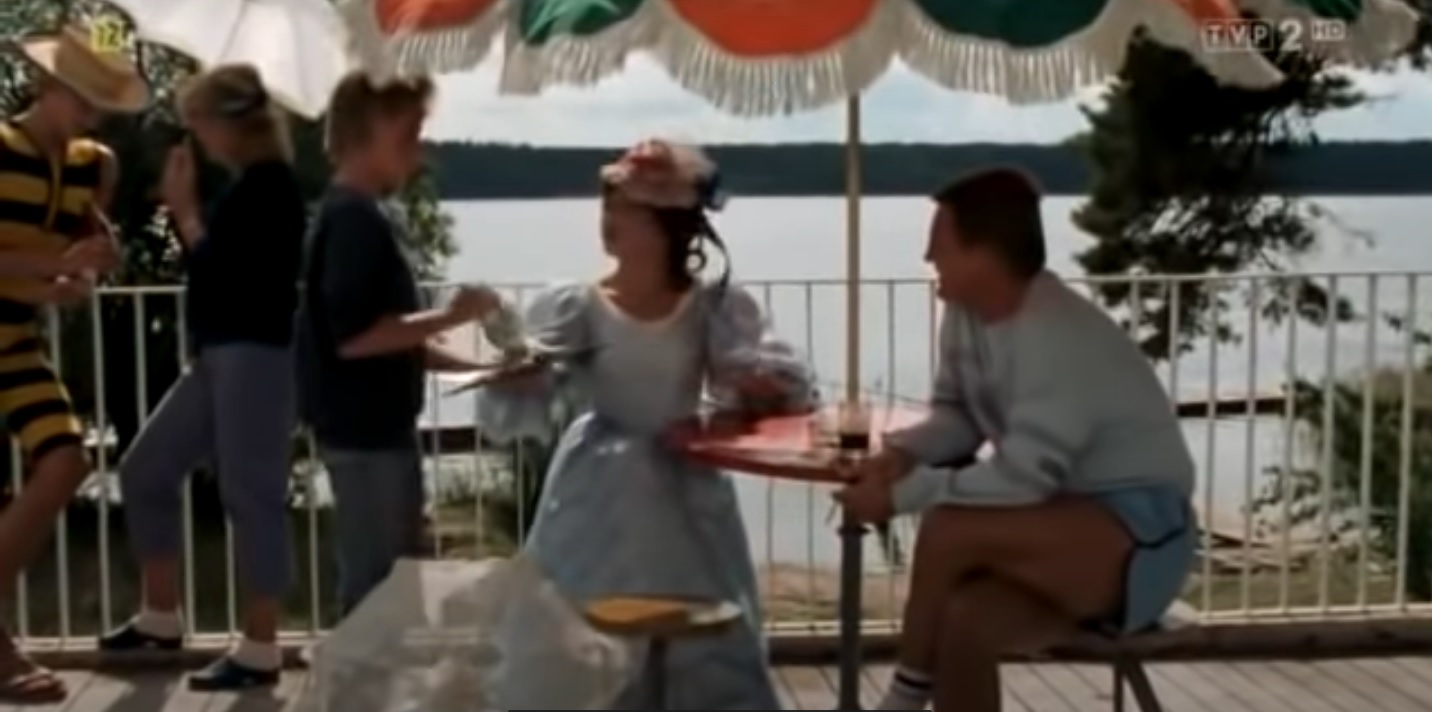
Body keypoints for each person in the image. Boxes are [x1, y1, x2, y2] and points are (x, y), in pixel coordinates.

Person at [835, 168, 1196, 712]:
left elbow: (1026, 477)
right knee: (964, 620)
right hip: (1059, 522)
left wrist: (901, 496)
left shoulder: (1058, 335)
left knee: (948, 527)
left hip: (1143, 537)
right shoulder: (965, 315)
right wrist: (901, 455)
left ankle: (903, 699)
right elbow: (958, 417)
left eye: (940, 245)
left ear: (985, 253)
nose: (928, 257)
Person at [473, 139, 817, 709]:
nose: (608, 221)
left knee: (698, 630)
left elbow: (756, 380)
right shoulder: (578, 304)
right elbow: (539, 383)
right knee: (582, 624)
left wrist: (758, 385)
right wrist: (522, 375)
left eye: (624, 209)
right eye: (606, 207)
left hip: (684, 475)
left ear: (664, 225)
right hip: (599, 484)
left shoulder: (711, 307)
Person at [95, 65, 306, 691]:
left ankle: (261, 646)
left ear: (233, 123)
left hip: (256, 358)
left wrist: (186, 212)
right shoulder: (248, 187)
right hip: (219, 357)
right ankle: (161, 616)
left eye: (199, 121)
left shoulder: (273, 189)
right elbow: (221, 271)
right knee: (146, 469)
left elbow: (233, 275)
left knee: (251, 494)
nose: (196, 135)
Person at [295, 71, 510, 617]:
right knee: (379, 595)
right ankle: (358, 673)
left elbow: (391, 338)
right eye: (411, 130)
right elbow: (355, 339)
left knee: (390, 588)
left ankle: (371, 669)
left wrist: (484, 366)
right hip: (366, 436)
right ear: (373, 128)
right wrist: (455, 315)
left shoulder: (358, 213)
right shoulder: (353, 220)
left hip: (374, 430)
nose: (420, 147)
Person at [0, 26, 144, 703]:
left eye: (103, 96)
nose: (95, 108)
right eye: (84, 91)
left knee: (66, 459)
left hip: (14, 341)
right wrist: (57, 265)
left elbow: (73, 270)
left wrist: (77, 278)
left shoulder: (96, 167)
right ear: (47, 83)